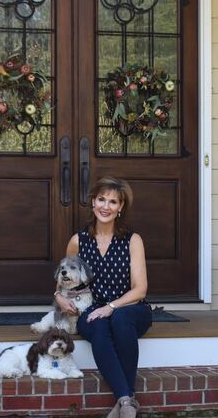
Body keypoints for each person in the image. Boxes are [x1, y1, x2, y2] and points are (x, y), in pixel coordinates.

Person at [55, 176, 152, 418]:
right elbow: (66, 279)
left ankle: (124, 400)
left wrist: (111, 306)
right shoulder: (78, 241)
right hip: (91, 308)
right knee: (97, 325)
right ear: (93, 202)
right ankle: (127, 402)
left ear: (121, 208)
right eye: (101, 199)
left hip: (131, 307)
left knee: (120, 320)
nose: (105, 206)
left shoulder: (133, 240)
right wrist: (58, 296)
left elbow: (140, 289)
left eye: (113, 202)